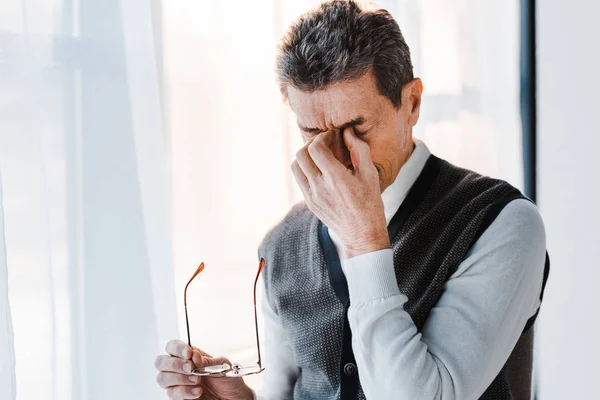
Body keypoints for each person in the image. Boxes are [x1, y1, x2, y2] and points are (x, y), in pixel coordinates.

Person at [153, 1, 549, 399]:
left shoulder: (500, 222)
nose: (337, 158)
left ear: (411, 103)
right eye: (312, 132)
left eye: (357, 127)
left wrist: (364, 240)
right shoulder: (281, 246)